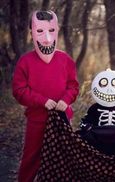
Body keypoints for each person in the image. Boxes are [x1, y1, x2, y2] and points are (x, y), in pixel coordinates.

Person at [12, 10, 79, 182]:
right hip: (36, 120)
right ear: (31, 33)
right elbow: (19, 90)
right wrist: (42, 101)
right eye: (40, 31)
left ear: (57, 30)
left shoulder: (65, 60)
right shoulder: (25, 61)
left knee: (63, 159)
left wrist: (65, 100)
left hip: (62, 120)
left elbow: (73, 86)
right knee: (31, 159)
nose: (47, 38)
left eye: (51, 30)